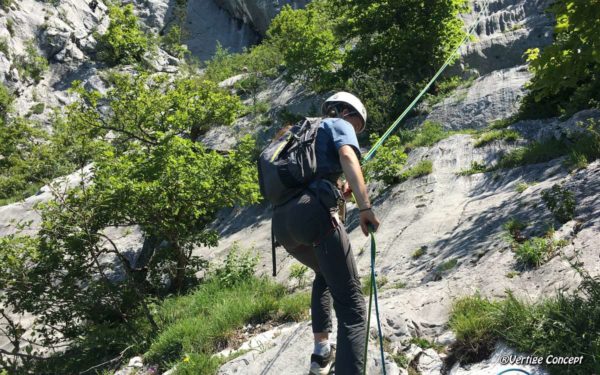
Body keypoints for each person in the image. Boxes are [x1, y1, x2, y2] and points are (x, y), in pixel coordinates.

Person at [272, 92, 380, 375]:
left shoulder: (298, 133)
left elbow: (311, 174)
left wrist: (339, 187)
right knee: (354, 309)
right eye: (357, 126)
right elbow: (347, 155)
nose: (355, 132)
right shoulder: (338, 123)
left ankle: (321, 352)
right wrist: (365, 206)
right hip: (314, 215)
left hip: (283, 224)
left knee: (326, 273)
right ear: (347, 112)